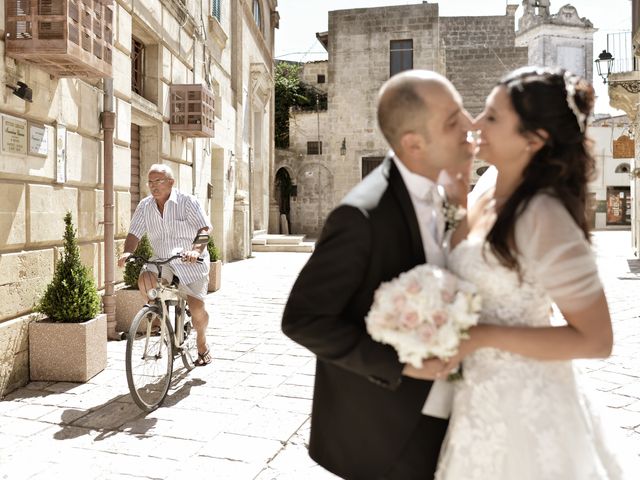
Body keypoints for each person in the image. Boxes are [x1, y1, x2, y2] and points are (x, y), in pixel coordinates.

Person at [432, 67, 635, 478]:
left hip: (528, 408)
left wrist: (481, 337)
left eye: (492, 117)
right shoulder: (488, 184)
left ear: (533, 139)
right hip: (474, 401)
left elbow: (597, 340)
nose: (476, 123)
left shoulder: (546, 215)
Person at [281, 70, 474, 479]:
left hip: (456, 418)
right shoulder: (360, 217)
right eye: (454, 120)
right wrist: (400, 365)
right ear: (413, 144)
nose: (470, 127)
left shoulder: (443, 190)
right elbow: (302, 320)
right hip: (390, 431)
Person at [118, 164, 213, 366]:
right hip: (163, 260)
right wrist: (128, 251)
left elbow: (204, 228)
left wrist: (195, 251)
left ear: (171, 182)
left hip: (190, 262)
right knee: (146, 279)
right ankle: (159, 318)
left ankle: (202, 341)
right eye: (150, 182)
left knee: (197, 310)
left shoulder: (187, 202)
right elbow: (134, 232)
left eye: (158, 181)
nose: (154, 186)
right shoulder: (145, 206)